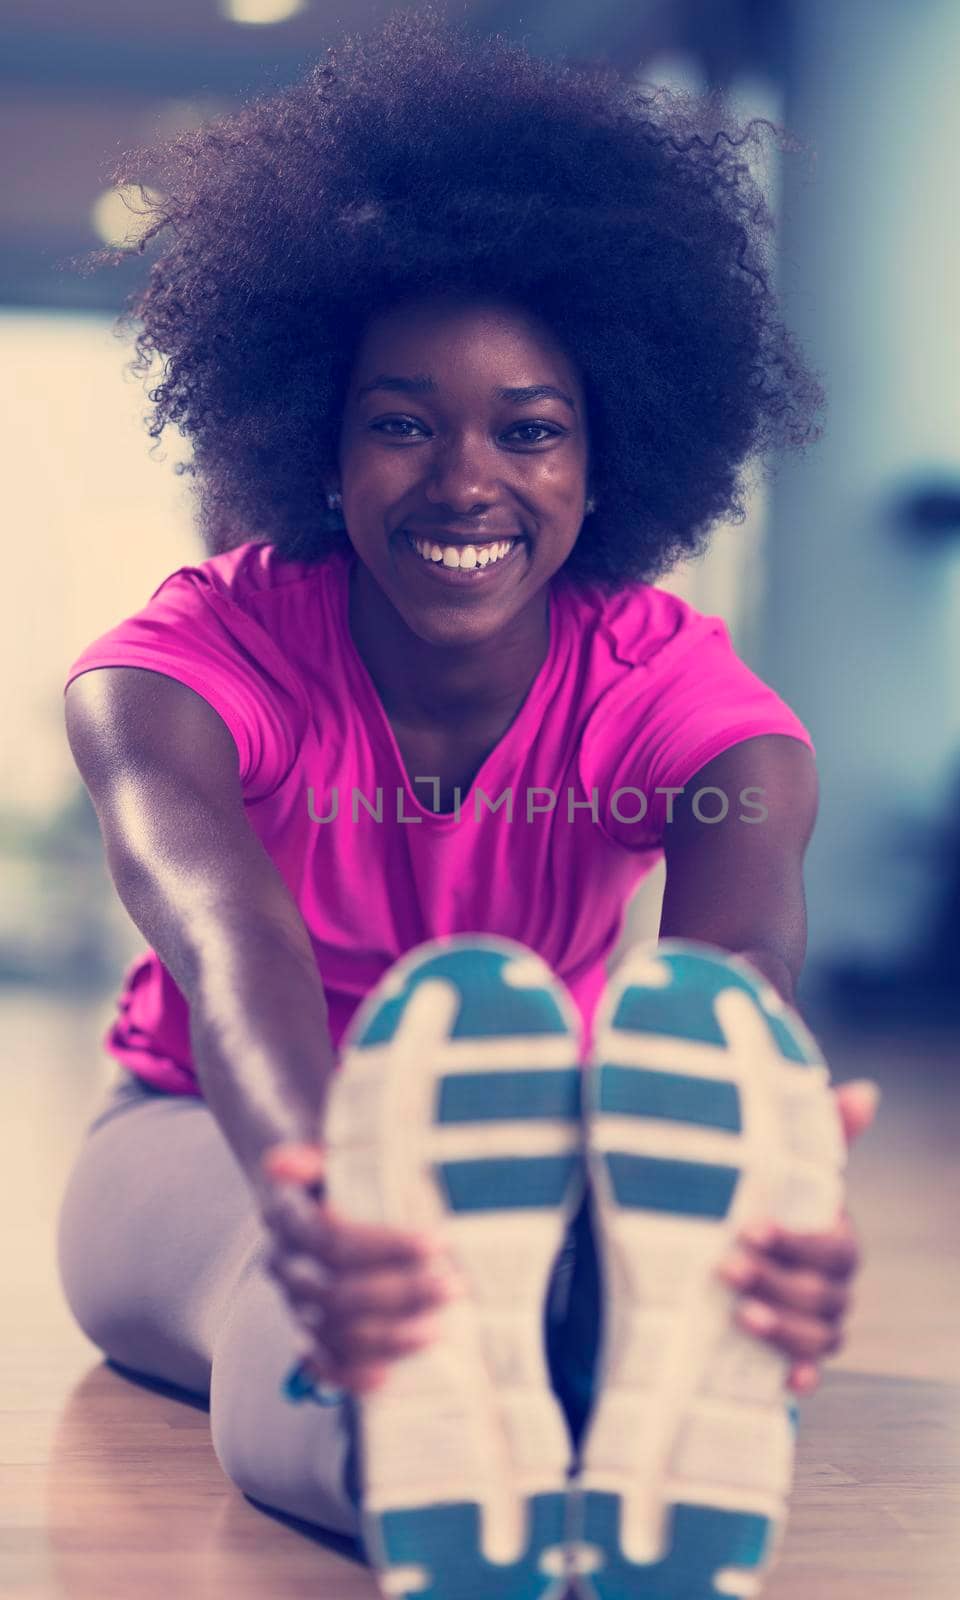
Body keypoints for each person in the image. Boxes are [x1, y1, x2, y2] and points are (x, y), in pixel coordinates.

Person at [56, 8, 878, 1597]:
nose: (465, 479)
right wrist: (326, 1182)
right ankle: (430, 1459)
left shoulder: (695, 715)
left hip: (538, 1144)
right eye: (402, 422)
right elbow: (234, 953)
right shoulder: (174, 674)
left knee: (579, 1250)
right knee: (310, 1288)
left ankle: (606, 1369)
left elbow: (732, 980)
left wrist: (767, 1182)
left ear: (608, 455)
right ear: (319, 437)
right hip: (207, 1136)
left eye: (532, 429)